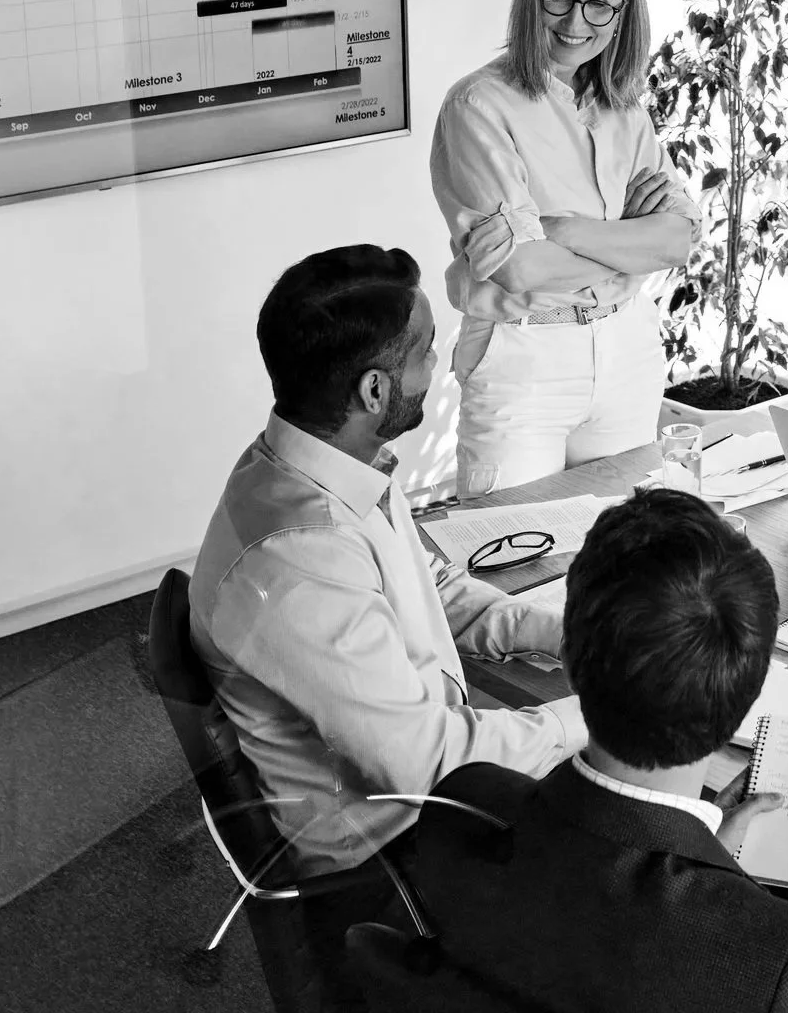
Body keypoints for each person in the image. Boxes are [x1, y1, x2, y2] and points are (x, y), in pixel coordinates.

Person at [386, 489, 788, 1012]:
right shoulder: (787, 963)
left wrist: (710, 858)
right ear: (753, 684)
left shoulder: (460, 808)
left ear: (570, 656)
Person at [189, 244, 585, 889]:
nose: (441, 366)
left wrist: (564, 634)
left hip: (426, 786)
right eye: (426, 351)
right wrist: (600, 713)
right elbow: (429, 765)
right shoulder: (300, 560)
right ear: (375, 390)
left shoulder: (325, 462)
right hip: (394, 856)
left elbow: (433, 586)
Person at [428, 0, 701, 498]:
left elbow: (677, 241)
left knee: (629, 559)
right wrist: (633, 245)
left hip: (627, 352)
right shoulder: (478, 105)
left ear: (624, 13)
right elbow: (521, 269)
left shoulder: (627, 106)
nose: (577, 21)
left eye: (600, 3)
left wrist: (565, 230)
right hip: (525, 357)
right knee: (516, 560)